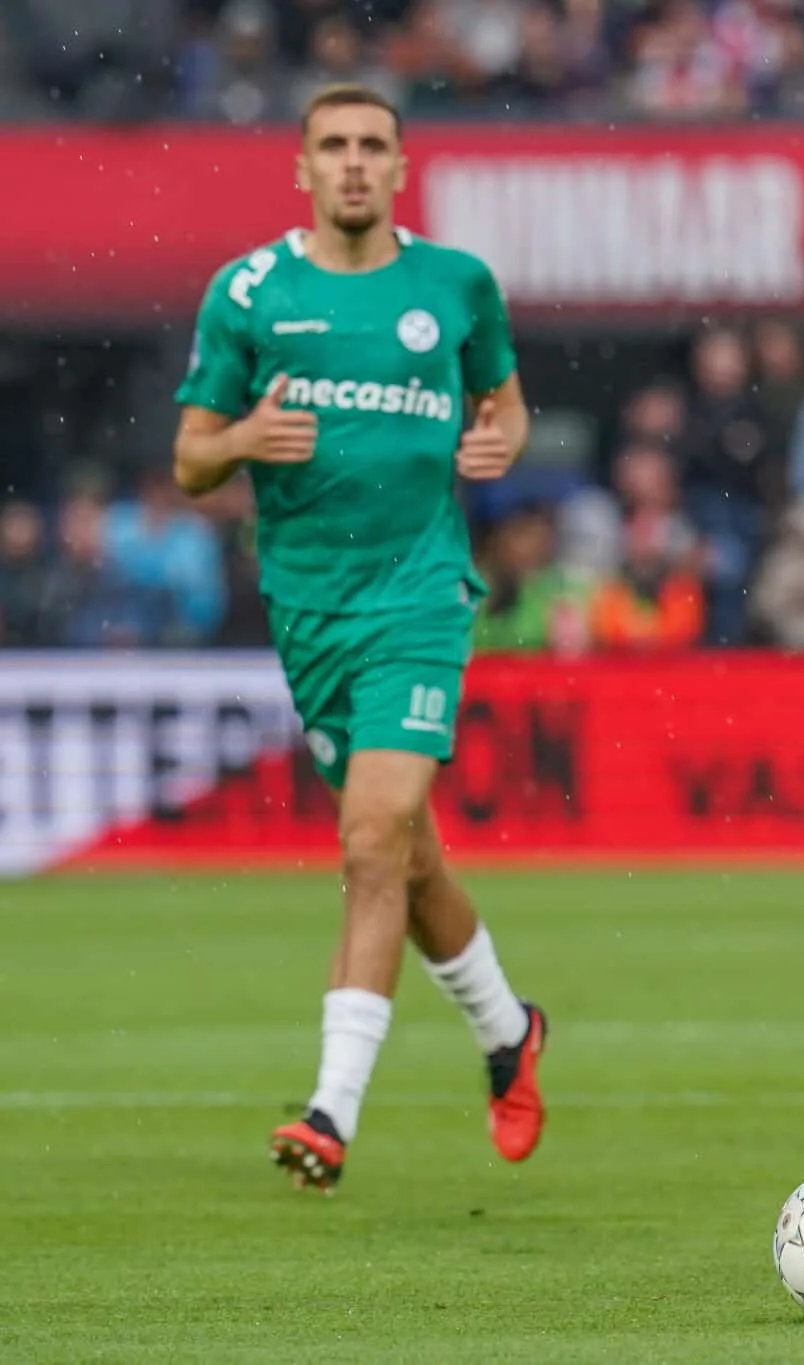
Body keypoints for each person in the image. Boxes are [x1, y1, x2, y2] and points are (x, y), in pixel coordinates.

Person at [171, 83, 547, 1193]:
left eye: (370, 146)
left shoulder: (456, 285)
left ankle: (330, 1110)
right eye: (331, 146)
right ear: (301, 167)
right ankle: (507, 1032)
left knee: (372, 838)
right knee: (408, 853)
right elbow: (190, 460)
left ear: (398, 166)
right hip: (309, 611)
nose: (350, 163)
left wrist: (500, 446)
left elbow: (506, 407)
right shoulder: (246, 293)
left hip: (422, 596)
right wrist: (242, 435)